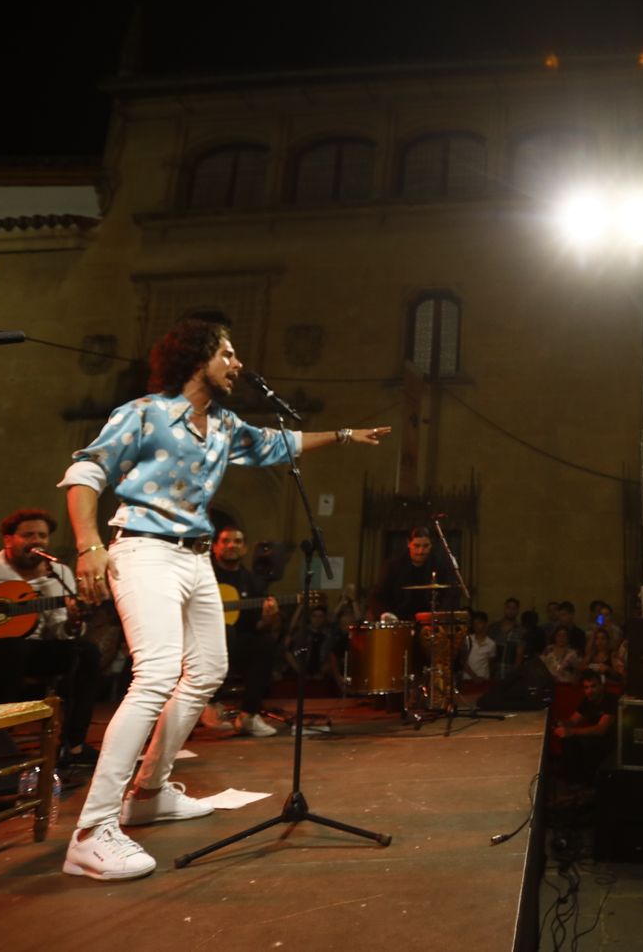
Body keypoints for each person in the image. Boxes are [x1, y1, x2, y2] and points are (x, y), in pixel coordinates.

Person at [58, 317, 387, 881]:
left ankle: (150, 790)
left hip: (196, 557)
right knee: (158, 671)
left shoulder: (227, 425)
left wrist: (345, 435)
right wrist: (88, 544)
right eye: (229, 354)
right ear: (198, 357)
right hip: (144, 549)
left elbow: (279, 444)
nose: (238, 364)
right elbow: (87, 469)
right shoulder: (142, 413)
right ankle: (91, 830)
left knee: (208, 669)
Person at [0, 508, 102, 768]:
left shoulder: (58, 574)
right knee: (11, 649)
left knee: (86, 652)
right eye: (28, 535)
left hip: (29, 650)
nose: (36, 541)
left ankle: (73, 745)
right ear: (8, 539)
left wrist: (73, 622)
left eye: (42, 535)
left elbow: (60, 631)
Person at [200, 525, 281, 737]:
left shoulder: (252, 581)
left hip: (237, 642)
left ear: (244, 549)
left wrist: (268, 617)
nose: (231, 546)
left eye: (237, 542)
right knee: (226, 632)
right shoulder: (203, 574)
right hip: (201, 639)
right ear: (215, 546)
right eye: (226, 541)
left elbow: (259, 626)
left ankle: (248, 715)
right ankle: (210, 704)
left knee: (265, 643)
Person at [553, 667, 614, 788]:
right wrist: (560, 723)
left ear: (601, 685)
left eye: (593, 686)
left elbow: (601, 730)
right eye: (586, 687)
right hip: (595, 740)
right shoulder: (588, 700)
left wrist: (571, 731)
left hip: (610, 743)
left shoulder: (610, 700)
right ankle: (573, 783)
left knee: (580, 743)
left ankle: (584, 785)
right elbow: (572, 721)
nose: (590, 691)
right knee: (568, 741)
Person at [370, 527, 445, 622]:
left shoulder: (439, 565)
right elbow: (376, 596)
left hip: (428, 622)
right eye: (416, 546)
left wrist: (440, 617)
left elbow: (449, 596)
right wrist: (385, 614)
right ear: (408, 544)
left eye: (425, 546)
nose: (421, 551)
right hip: (399, 620)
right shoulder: (393, 566)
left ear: (431, 545)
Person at [461, 609, 498, 686]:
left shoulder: (491, 644)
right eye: (475, 623)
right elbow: (462, 661)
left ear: (485, 624)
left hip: (484, 679)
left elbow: (492, 663)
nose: (476, 625)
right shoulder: (467, 640)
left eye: (479, 622)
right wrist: (474, 677)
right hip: (468, 679)